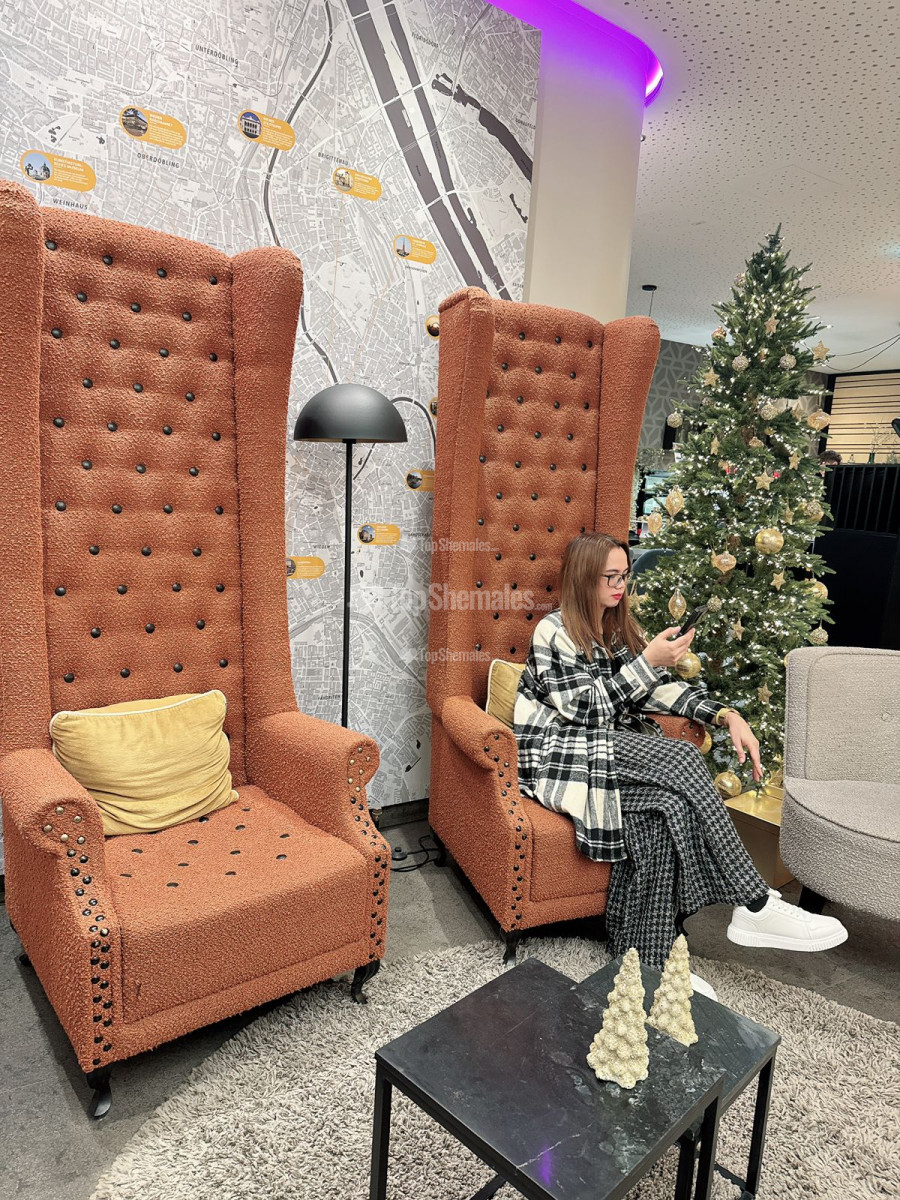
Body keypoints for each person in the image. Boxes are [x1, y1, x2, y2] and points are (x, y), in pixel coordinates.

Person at [514, 531, 848, 996]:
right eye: (610, 577)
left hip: (602, 751)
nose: (620, 586)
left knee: (664, 812)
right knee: (683, 756)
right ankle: (754, 902)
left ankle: (645, 964)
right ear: (583, 578)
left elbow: (655, 691)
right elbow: (584, 710)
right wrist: (647, 661)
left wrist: (725, 715)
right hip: (559, 754)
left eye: (625, 576)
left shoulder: (615, 631)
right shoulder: (552, 631)